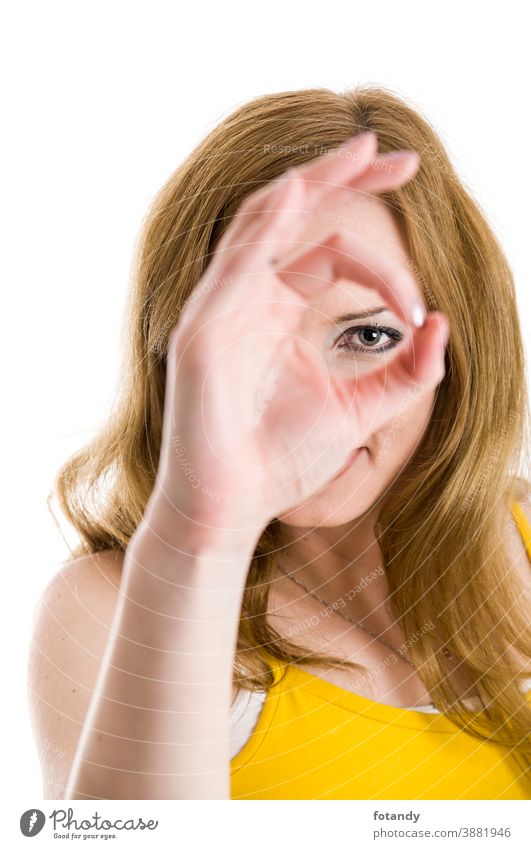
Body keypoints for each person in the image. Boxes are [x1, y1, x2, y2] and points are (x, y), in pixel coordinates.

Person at [28, 85, 531, 800]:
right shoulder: (106, 612)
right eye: (250, 343)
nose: (305, 404)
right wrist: (202, 531)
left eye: (366, 336)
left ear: (460, 349)